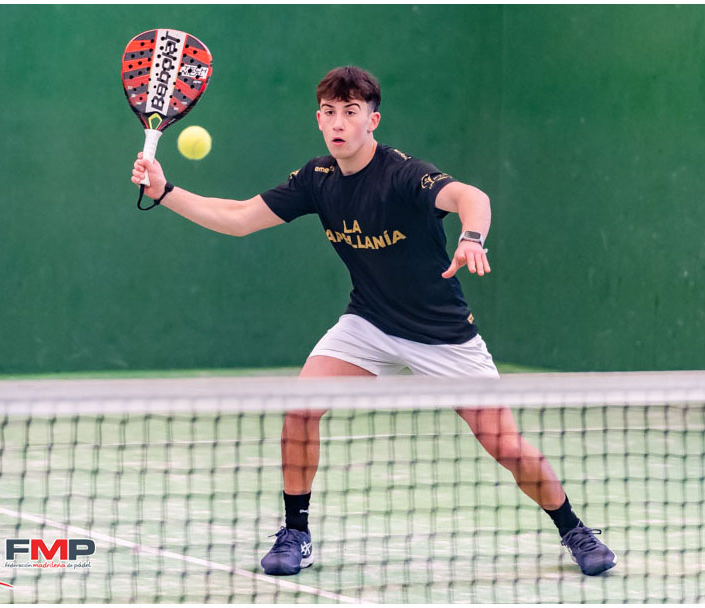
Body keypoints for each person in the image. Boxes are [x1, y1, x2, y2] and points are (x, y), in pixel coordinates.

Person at [130, 66, 616, 577]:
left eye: (351, 112)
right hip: (370, 323)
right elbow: (239, 218)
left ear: (373, 120)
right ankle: (296, 532)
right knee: (300, 408)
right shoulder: (317, 179)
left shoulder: (403, 174)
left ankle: (574, 530)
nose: (339, 122)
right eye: (330, 112)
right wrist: (164, 192)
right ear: (319, 119)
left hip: (443, 334)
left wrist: (471, 236)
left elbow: (471, 196)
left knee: (506, 446)